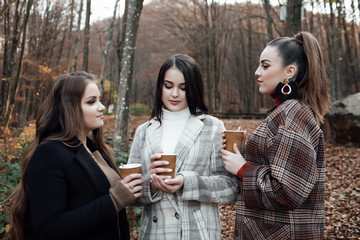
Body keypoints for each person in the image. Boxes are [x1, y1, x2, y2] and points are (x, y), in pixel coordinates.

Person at [7, 71, 143, 240]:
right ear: (69, 108)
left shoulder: (95, 149)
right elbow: (48, 228)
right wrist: (114, 200)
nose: (101, 106)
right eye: (92, 102)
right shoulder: (49, 153)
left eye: (99, 100)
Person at [221, 31, 330, 239]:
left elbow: (286, 193)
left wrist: (243, 168)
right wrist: (244, 151)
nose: (256, 72)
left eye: (265, 65)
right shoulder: (285, 112)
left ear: (289, 71)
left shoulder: (293, 114)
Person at [127, 54, 238, 239]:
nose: (174, 94)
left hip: (196, 233)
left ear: (193, 88)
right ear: (160, 86)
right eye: (168, 86)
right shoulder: (144, 131)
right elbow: (131, 194)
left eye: (183, 87)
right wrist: (152, 185)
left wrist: (186, 182)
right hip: (154, 233)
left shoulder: (212, 127)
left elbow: (231, 187)